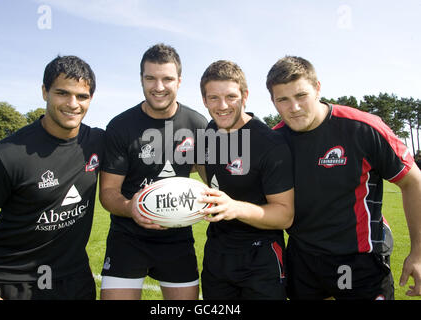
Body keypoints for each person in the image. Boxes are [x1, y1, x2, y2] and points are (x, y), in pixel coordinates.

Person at [266, 55, 421, 300]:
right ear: (273, 101)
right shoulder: (274, 142)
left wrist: (418, 253)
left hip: (360, 261)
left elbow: (413, 182)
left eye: (301, 96)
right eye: (282, 99)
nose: (293, 107)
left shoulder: (362, 128)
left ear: (317, 89)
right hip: (303, 260)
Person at [0, 55, 104, 300]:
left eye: (82, 96)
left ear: (91, 99)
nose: (73, 103)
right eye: (62, 93)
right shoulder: (7, 153)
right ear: (45, 92)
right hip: (12, 282)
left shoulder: (98, 142)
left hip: (75, 281)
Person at [99, 43, 208, 300]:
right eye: (151, 78)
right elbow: (108, 192)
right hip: (127, 236)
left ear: (179, 81)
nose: (159, 87)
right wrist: (131, 208)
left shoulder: (197, 124)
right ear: (141, 79)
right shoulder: (120, 126)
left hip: (178, 237)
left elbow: (211, 179)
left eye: (167, 79)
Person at [197, 60, 294, 300]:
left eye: (231, 96)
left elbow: (285, 215)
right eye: (213, 98)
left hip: (261, 257)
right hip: (216, 253)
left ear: (245, 96)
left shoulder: (269, 143)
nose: (222, 106)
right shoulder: (208, 132)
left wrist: (234, 207)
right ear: (204, 100)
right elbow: (203, 166)